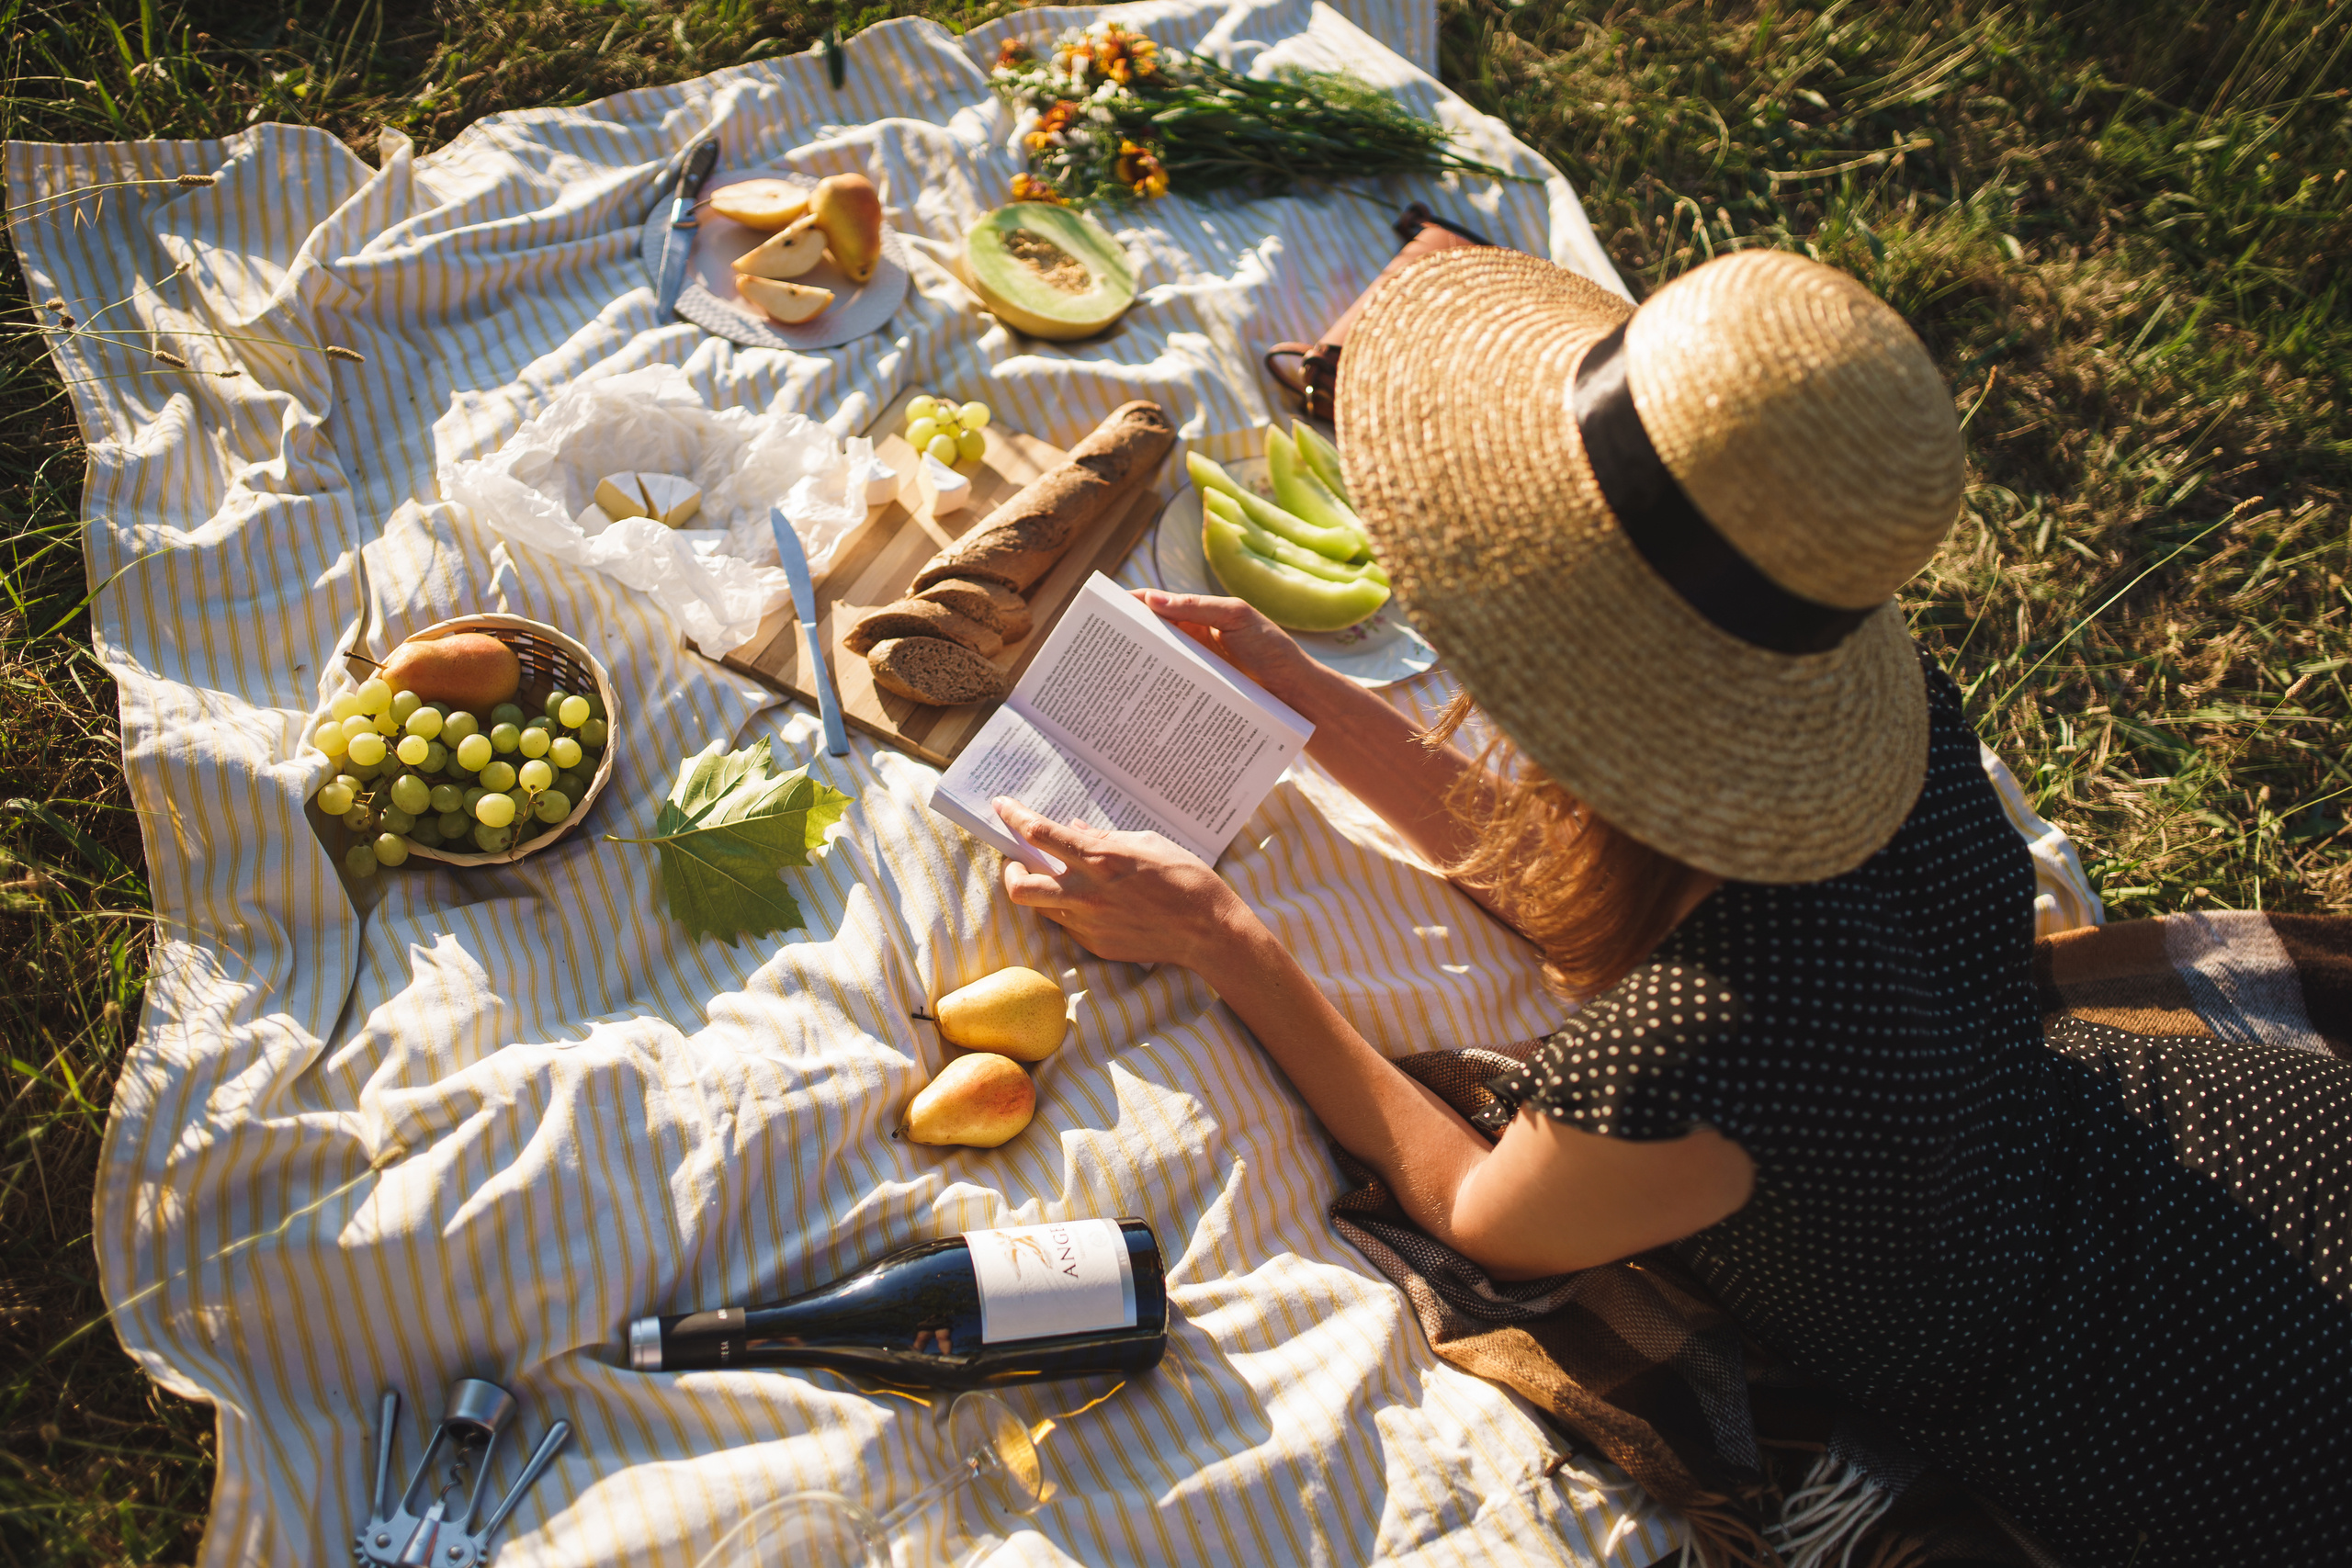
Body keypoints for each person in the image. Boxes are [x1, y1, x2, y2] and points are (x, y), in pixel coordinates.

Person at [986, 249, 2352, 1567]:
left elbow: (1480, 1210)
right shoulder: (1897, 739)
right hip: (2246, 1163)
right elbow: (1593, 878)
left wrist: (1228, 940)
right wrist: (1313, 700)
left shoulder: (1691, 1045)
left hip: (2204, 1420)